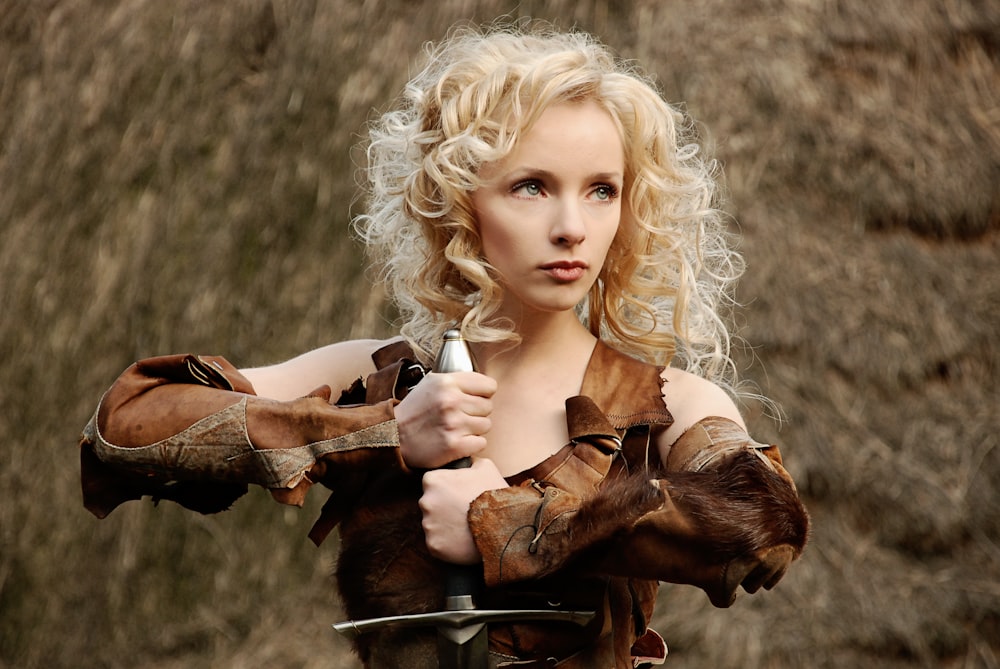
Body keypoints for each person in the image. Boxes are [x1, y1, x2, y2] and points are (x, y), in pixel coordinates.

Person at [79, 22, 809, 668]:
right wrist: (383, 433)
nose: (572, 227)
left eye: (600, 190)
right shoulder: (378, 380)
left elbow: (763, 528)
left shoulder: (665, 404)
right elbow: (125, 423)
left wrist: (506, 521)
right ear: (460, 199)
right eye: (531, 186)